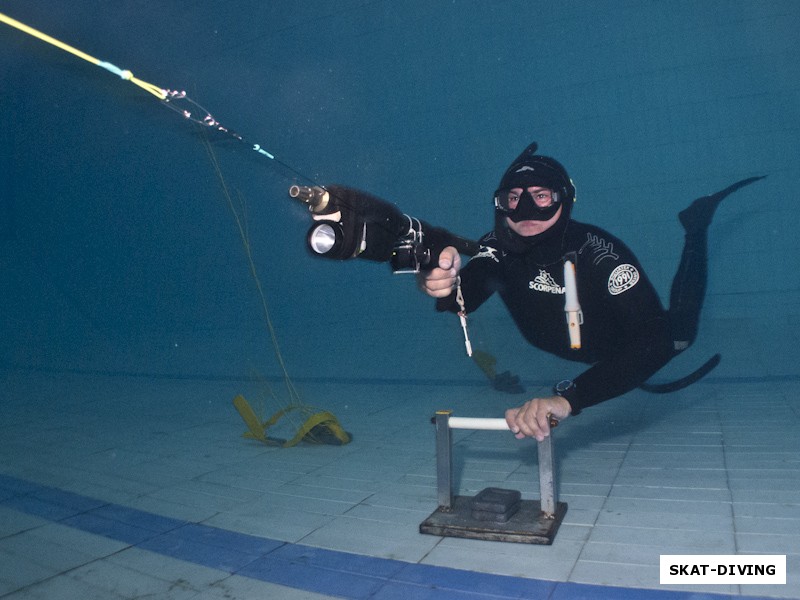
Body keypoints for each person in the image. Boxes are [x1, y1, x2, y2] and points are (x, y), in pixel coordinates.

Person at [420, 142, 763, 441]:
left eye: (541, 197)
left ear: (563, 200)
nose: (525, 211)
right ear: (501, 205)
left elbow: (655, 341)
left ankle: (695, 227)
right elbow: (459, 300)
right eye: (514, 198)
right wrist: (436, 279)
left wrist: (568, 399)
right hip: (572, 345)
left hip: (621, 341)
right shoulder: (497, 249)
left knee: (679, 335)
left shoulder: (600, 254)